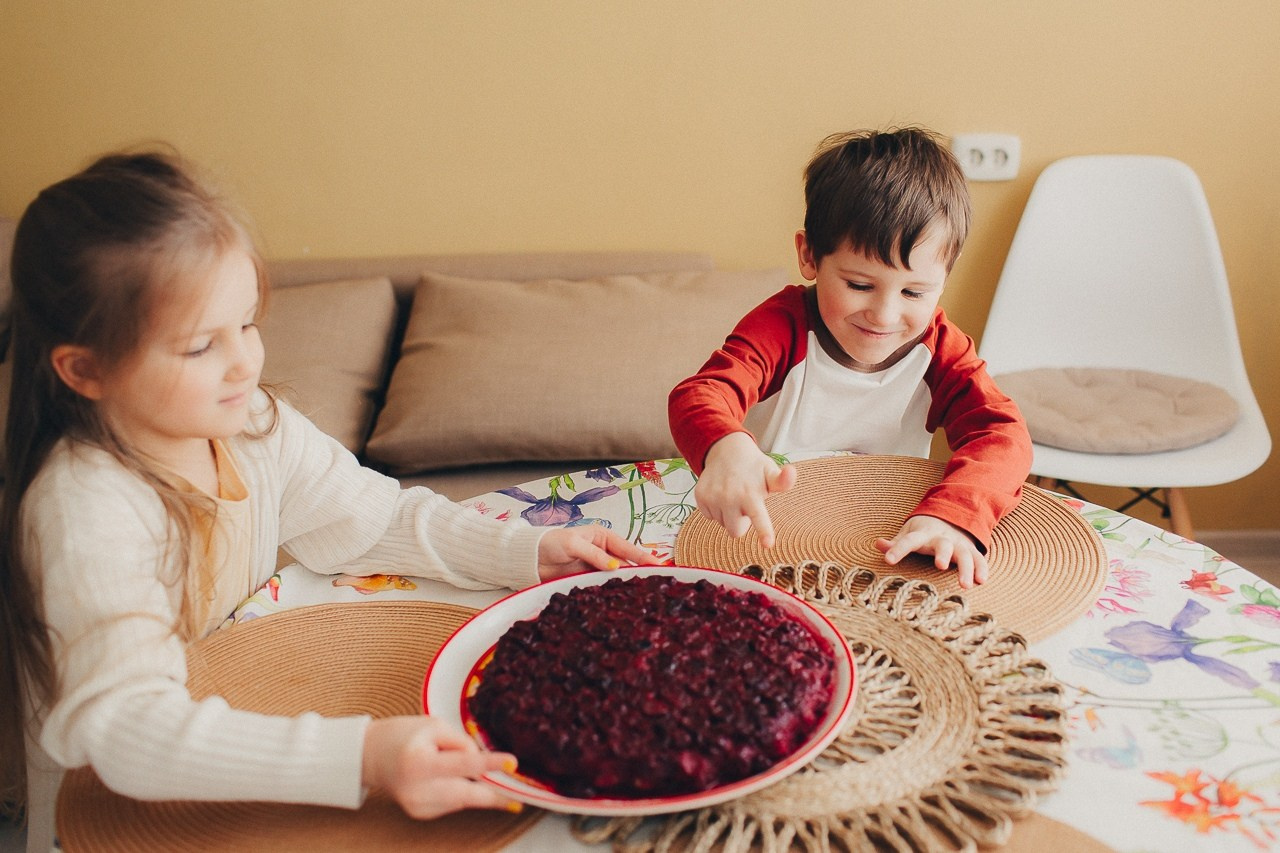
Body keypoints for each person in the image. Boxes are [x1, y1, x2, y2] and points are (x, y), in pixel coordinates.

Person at [0, 149, 656, 832]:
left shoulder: (254, 426)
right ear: (86, 370)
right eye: (200, 346)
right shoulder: (83, 508)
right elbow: (127, 728)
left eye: (248, 323)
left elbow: (371, 518)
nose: (245, 362)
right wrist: (365, 756)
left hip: (234, 757)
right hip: (114, 816)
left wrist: (527, 549)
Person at [668, 127, 1032, 589]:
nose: (885, 314)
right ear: (809, 257)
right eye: (860, 285)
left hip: (878, 549)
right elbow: (701, 394)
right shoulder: (783, 327)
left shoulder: (940, 348)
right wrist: (727, 449)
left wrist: (956, 515)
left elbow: (1002, 433)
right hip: (765, 541)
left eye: (914, 291)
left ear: (945, 278)